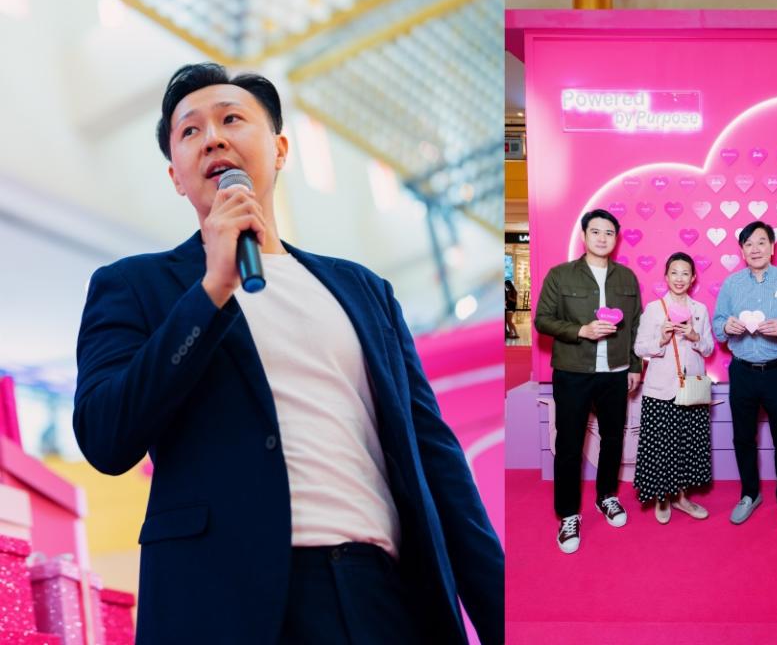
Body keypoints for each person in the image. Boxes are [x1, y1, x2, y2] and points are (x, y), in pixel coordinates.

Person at [72, 63, 503, 644]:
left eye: (231, 119)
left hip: (381, 594)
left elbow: (436, 460)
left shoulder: (364, 291)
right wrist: (210, 293)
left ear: (278, 150)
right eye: (190, 131)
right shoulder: (135, 286)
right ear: (176, 175)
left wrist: (506, 614)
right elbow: (105, 435)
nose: (214, 138)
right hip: (227, 603)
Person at [533, 209, 642, 553]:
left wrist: (636, 366)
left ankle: (606, 496)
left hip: (615, 372)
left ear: (616, 238)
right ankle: (568, 514)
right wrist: (581, 330)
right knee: (569, 445)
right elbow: (542, 321)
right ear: (584, 235)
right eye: (595, 231)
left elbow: (636, 325)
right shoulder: (560, 275)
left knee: (612, 439)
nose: (602, 238)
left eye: (609, 233)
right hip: (573, 372)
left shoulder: (626, 278)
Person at [712, 221, 777, 538]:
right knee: (743, 438)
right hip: (741, 371)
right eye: (748, 244)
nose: (755, 249)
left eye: (761, 242)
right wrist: (727, 326)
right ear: (741, 250)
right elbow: (716, 326)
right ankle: (750, 494)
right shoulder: (731, 284)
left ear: (772, 246)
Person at [633, 252, 714, 523]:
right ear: (666, 276)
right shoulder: (654, 309)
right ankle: (662, 498)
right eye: (674, 273)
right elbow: (640, 347)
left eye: (685, 273)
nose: (679, 278)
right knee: (660, 446)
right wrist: (661, 338)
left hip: (690, 388)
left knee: (685, 445)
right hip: (660, 388)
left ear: (693, 278)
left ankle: (681, 497)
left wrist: (694, 336)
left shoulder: (699, 310)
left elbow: (709, 348)